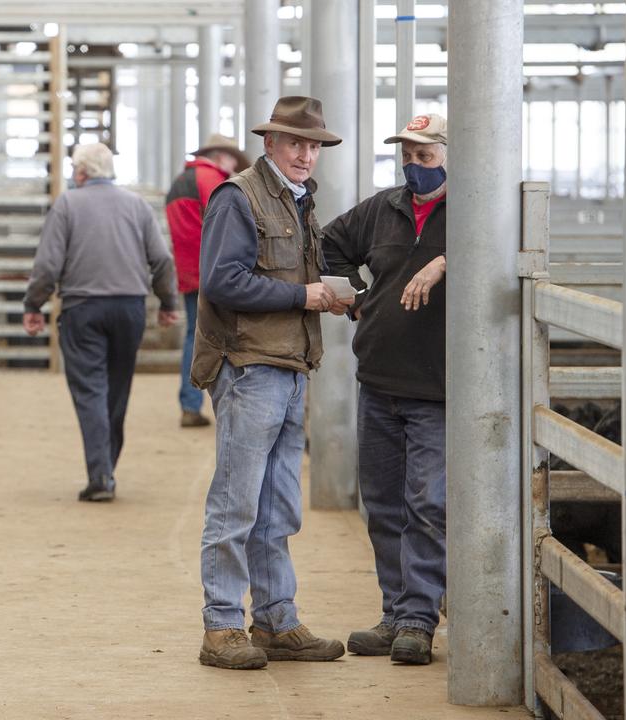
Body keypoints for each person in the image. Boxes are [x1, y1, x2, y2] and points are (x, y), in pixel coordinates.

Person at [192, 97, 352, 670]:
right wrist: (301, 296)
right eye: (296, 144)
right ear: (270, 144)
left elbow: (285, 274)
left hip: (288, 366)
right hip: (249, 367)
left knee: (277, 504)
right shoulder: (239, 198)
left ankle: (276, 617)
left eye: (313, 146)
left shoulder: (299, 200)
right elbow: (222, 281)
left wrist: (327, 297)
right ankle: (222, 625)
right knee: (237, 502)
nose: (307, 154)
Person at [321, 113, 448, 665]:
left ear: (449, 154)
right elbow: (329, 243)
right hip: (378, 379)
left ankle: (419, 620)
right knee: (382, 503)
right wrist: (354, 295)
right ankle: (395, 614)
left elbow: (504, 256)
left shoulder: (476, 212)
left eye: (426, 155)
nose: (414, 165)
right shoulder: (384, 208)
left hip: (437, 388)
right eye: (408, 155)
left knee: (427, 503)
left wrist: (446, 261)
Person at [23, 143, 179, 502]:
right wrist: (168, 302)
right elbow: (161, 259)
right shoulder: (137, 205)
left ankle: (100, 474)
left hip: (83, 308)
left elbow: (47, 265)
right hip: (129, 308)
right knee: (117, 389)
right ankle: (107, 465)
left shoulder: (67, 204)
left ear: (80, 172)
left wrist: (34, 304)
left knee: (91, 390)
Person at [164, 133, 249, 429]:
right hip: (216, 271)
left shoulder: (180, 182)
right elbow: (230, 223)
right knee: (229, 338)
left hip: (189, 273)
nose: (234, 164)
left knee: (193, 336)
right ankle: (230, 405)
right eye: (231, 157)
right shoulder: (212, 180)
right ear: (218, 156)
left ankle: (189, 404)